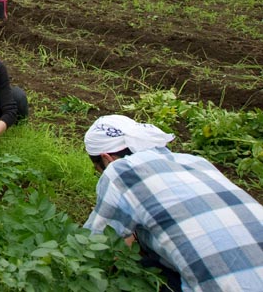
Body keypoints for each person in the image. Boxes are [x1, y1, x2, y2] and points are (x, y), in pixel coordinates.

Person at [83, 115, 263, 291]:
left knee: (134, 269)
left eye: (97, 168)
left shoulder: (121, 170)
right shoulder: (196, 161)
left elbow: (93, 245)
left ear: (107, 158)